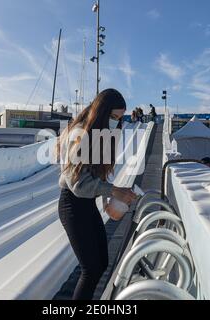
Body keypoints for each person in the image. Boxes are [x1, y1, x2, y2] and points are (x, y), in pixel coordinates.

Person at [57, 88, 137, 300]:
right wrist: (114, 191)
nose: (115, 122)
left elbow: (94, 175)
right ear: (101, 112)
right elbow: (78, 185)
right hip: (72, 205)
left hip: (86, 205)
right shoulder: (79, 134)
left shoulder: (98, 135)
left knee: (101, 263)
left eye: (119, 119)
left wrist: (106, 199)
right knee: (90, 269)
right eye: (112, 117)